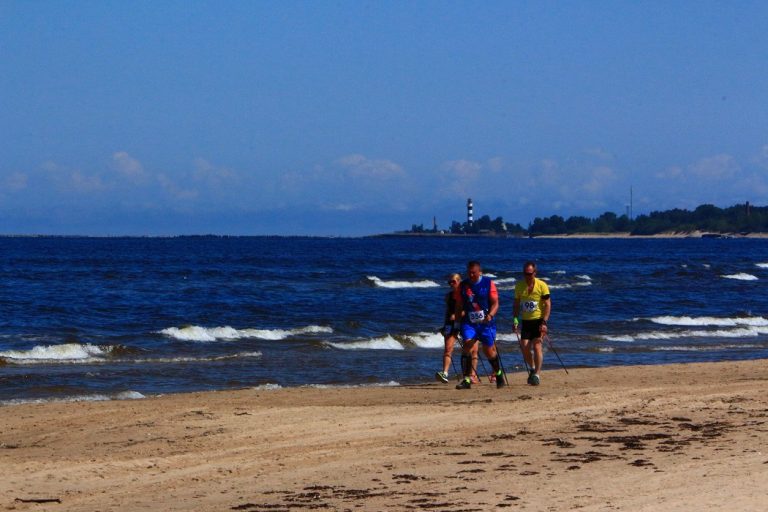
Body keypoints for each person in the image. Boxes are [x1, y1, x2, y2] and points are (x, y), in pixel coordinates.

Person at [454, 260, 506, 389]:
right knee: (467, 345)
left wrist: (490, 315)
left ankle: (498, 373)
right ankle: (466, 380)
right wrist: (456, 324)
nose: (471, 275)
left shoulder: (488, 283)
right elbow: (459, 306)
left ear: (479, 272)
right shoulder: (463, 286)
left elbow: (495, 303)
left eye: (474, 273)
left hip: (486, 324)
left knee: (488, 351)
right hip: (469, 323)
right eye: (469, 272)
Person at [513, 261, 551, 386]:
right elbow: (516, 304)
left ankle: (537, 375)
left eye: (529, 273)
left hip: (538, 321)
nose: (527, 276)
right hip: (526, 322)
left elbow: (548, 305)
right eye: (525, 273)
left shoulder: (542, 285)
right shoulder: (519, 286)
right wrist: (515, 319)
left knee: (537, 346)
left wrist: (544, 322)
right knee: (524, 348)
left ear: (535, 273)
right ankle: (533, 368)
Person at [436, 274, 478, 384]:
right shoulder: (448, 296)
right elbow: (447, 311)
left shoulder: (466, 295)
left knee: (472, 349)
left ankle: (472, 375)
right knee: (448, 348)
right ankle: (445, 373)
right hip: (451, 324)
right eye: (449, 282)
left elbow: (470, 309)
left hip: (466, 323)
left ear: (459, 282)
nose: (451, 284)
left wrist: (457, 315)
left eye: (453, 282)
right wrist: (445, 325)